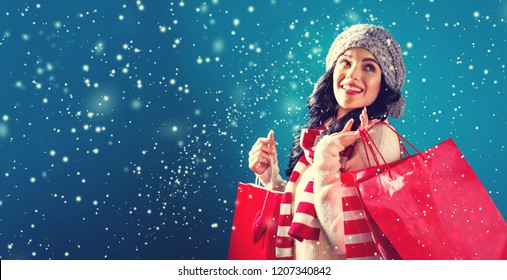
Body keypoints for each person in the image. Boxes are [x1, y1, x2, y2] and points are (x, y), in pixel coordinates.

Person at [248, 24, 406, 260]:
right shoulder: (324, 131)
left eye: (369, 67)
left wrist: (326, 155)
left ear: (383, 84)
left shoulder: (378, 137)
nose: (353, 74)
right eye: (346, 62)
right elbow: (308, 217)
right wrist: (272, 179)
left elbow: (344, 239)